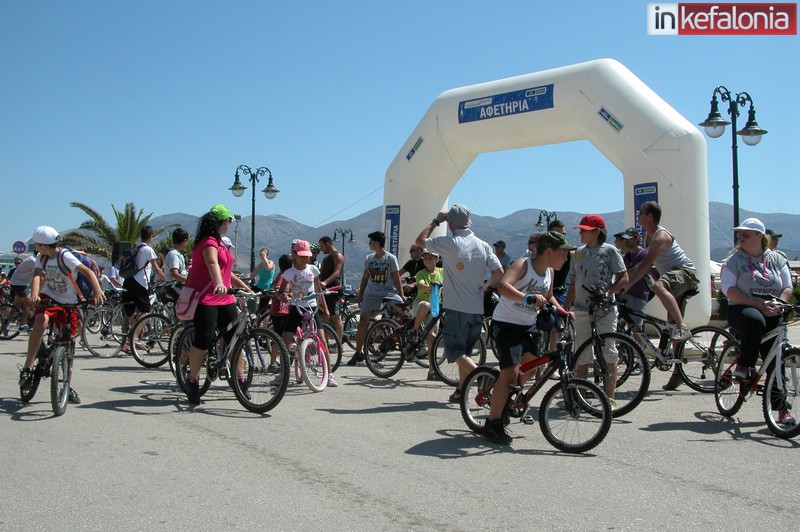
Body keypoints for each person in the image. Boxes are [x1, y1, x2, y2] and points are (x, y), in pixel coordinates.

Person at [483, 231, 575, 445]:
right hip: (506, 324)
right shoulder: (523, 265)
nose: (566, 258)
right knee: (510, 373)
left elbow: (549, 295)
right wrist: (527, 298)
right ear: (549, 251)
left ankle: (505, 396)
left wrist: (562, 310)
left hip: (528, 326)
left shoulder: (549, 271)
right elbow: (503, 286)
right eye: (563, 253)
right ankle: (493, 423)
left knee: (532, 368)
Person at [416, 204, 503, 402]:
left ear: (451, 223)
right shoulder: (483, 245)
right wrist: (486, 286)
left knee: (455, 352)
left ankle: (483, 376)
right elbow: (499, 272)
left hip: (456, 307)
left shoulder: (450, 242)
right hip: (476, 308)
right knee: (465, 353)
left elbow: (420, 241)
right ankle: (461, 390)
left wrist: (436, 221)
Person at [18, 226, 105, 404]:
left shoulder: (64, 257)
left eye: (37, 244)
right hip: (49, 297)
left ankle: (66, 383)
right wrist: (35, 294)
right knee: (40, 321)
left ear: (43, 245)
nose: (36, 247)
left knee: (68, 344)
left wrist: (97, 290)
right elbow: (37, 276)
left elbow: (88, 272)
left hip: (69, 302)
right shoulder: (42, 257)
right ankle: (27, 368)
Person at [722, 218, 794, 426]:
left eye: (746, 234)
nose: (741, 237)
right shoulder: (734, 260)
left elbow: (787, 286)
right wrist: (757, 304)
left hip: (772, 309)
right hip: (741, 308)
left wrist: (779, 303)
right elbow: (729, 289)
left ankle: (781, 408)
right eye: (740, 234)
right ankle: (745, 365)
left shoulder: (776, 259)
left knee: (776, 358)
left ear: (760, 236)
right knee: (755, 321)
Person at [183, 204, 252, 405]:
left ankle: (239, 380)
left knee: (234, 339)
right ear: (223, 222)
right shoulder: (208, 242)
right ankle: (193, 380)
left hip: (225, 297)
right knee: (203, 339)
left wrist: (245, 287)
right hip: (206, 296)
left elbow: (226, 271)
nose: (230, 224)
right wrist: (219, 283)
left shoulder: (221, 243)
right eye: (229, 221)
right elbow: (212, 263)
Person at [627, 201, 699, 390]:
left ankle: (683, 327)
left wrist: (627, 286)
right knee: (671, 327)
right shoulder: (647, 237)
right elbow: (649, 266)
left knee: (659, 287)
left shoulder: (660, 237)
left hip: (685, 273)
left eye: (641, 212)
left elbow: (645, 265)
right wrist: (623, 278)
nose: (638, 215)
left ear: (650, 216)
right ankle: (678, 373)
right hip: (670, 277)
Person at [565, 214, 628, 407]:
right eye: (581, 230)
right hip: (581, 309)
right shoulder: (578, 253)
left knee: (608, 352)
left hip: (605, 310)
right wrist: (565, 308)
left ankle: (609, 399)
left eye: (585, 231)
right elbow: (573, 282)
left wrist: (609, 291)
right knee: (581, 354)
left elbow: (623, 278)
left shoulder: (610, 251)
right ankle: (581, 398)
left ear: (597, 232)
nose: (581, 234)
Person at [277, 240, 336, 387]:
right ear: (295, 255)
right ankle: (282, 373)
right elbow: (281, 291)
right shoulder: (289, 273)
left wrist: (325, 308)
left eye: (307, 256)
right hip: (296, 308)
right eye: (302, 256)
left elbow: (318, 290)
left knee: (322, 340)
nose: (305, 259)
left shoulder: (313, 270)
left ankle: (330, 375)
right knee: (285, 340)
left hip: (311, 307)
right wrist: (283, 297)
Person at [349, 231, 406, 365]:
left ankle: (402, 340)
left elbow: (397, 278)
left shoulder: (390, 258)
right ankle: (358, 352)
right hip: (372, 294)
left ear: (377, 244)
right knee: (363, 320)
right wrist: (360, 295)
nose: (369, 244)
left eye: (371, 242)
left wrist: (402, 295)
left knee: (404, 312)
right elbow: (365, 278)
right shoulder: (369, 258)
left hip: (388, 292)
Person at [122, 225, 166, 352]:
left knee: (132, 314)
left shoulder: (135, 248)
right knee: (146, 311)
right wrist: (166, 279)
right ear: (151, 237)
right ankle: (134, 338)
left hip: (128, 281)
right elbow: (157, 269)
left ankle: (128, 342)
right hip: (140, 283)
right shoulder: (148, 250)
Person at [409, 249, 444, 380]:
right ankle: (414, 330)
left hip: (435, 307)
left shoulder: (442, 272)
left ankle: (432, 371)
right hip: (420, 305)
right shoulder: (421, 273)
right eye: (425, 258)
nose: (427, 260)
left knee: (432, 340)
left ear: (437, 259)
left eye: (430, 258)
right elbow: (421, 285)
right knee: (425, 305)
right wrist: (431, 287)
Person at [614, 227, 651, 331]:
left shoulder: (643, 254)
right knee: (619, 325)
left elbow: (636, 269)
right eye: (625, 239)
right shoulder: (626, 257)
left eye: (629, 239)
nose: (626, 241)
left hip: (638, 294)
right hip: (624, 294)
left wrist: (623, 274)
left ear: (636, 238)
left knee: (636, 329)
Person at [267, 254, 293, 373]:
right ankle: (273, 363)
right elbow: (277, 289)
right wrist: (287, 295)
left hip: (283, 311)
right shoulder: (282, 276)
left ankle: (283, 360)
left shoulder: (282, 275)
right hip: (279, 312)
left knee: (281, 338)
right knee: (278, 339)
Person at [318, 236, 345, 342]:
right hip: (323, 290)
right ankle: (325, 341)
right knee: (325, 315)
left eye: (322, 246)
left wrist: (325, 282)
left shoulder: (338, 256)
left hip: (333, 289)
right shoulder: (326, 258)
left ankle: (339, 342)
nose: (321, 249)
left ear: (328, 244)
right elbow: (321, 273)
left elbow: (337, 272)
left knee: (335, 316)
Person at [9, 254, 36, 333]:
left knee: (16, 306)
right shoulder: (34, 261)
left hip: (18, 283)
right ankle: (23, 325)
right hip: (20, 284)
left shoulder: (32, 260)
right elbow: (41, 276)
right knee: (28, 302)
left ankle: (6, 323)